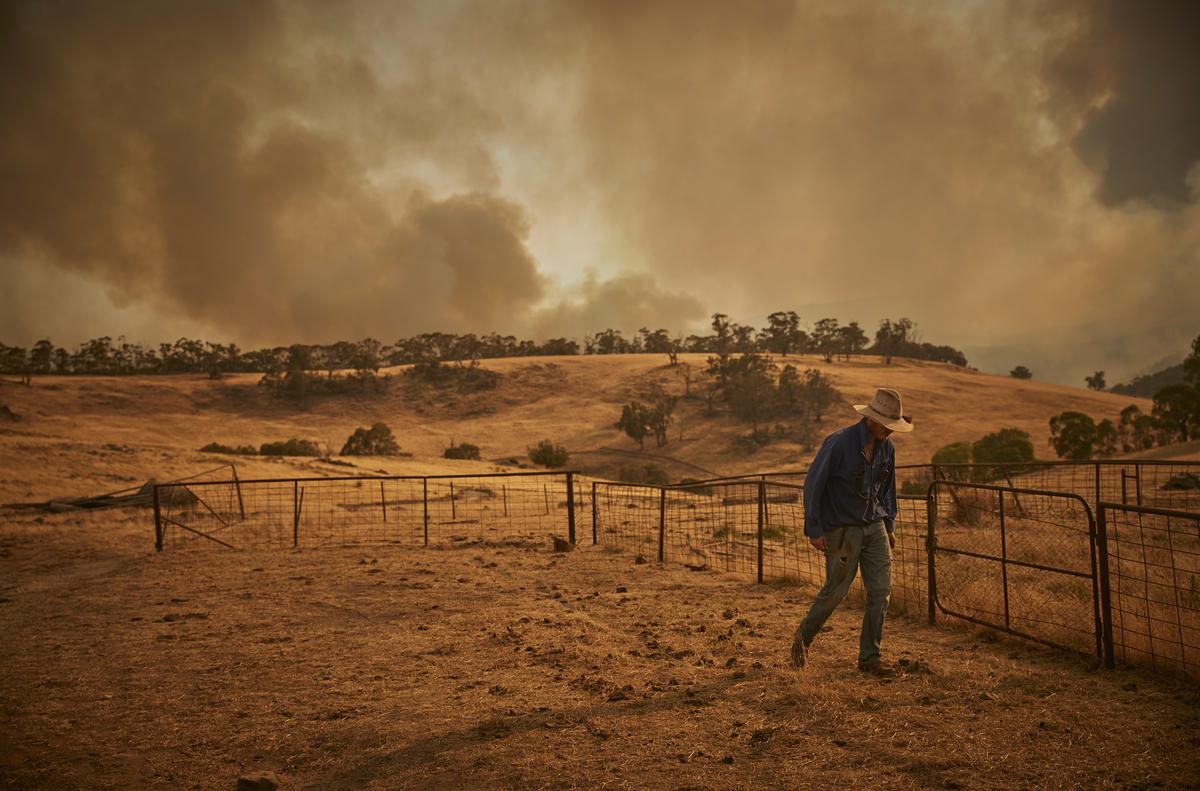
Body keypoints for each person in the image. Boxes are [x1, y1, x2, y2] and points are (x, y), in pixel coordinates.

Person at [791, 387, 913, 677]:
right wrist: (815, 528)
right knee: (836, 591)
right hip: (841, 529)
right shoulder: (838, 443)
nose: (890, 432)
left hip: (875, 525)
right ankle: (801, 640)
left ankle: (870, 658)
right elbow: (813, 486)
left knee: (881, 592)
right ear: (870, 420)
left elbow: (887, 490)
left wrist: (889, 525)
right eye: (887, 425)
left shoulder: (888, 447)